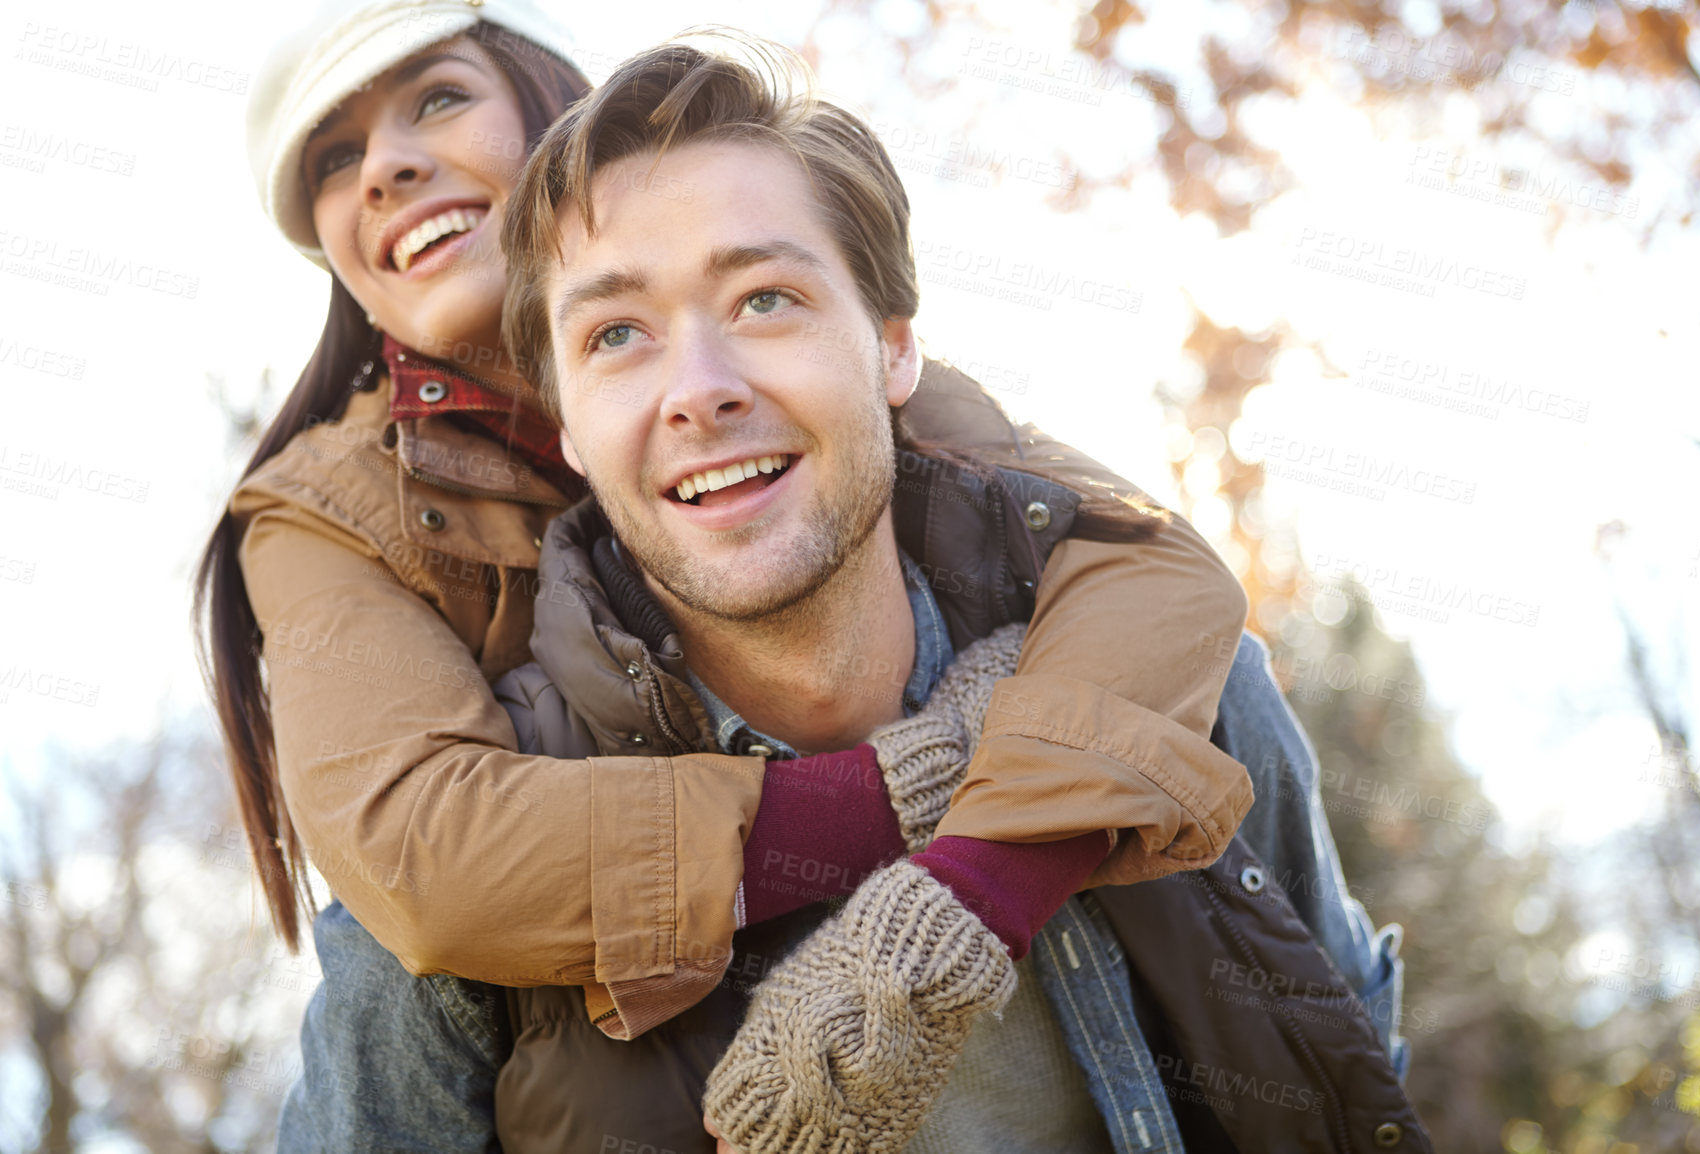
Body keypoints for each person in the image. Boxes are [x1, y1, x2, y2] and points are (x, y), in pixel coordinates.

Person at [207, 0, 1277, 1146]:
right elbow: (427, 855)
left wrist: (972, 881)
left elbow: (1144, 561)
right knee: (382, 962)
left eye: (437, 98)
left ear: (547, 98)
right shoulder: (320, 510)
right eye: (335, 160)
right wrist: (905, 788)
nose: (389, 166)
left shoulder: (831, 354)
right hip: (567, 956)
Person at [469, 35, 1426, 1153]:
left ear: (893, 349)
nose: (701, 391)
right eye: (616, 334)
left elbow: (1349, 1059)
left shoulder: (1195, 698)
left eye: (764, 298)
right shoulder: (497, 839)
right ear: (570, 433)